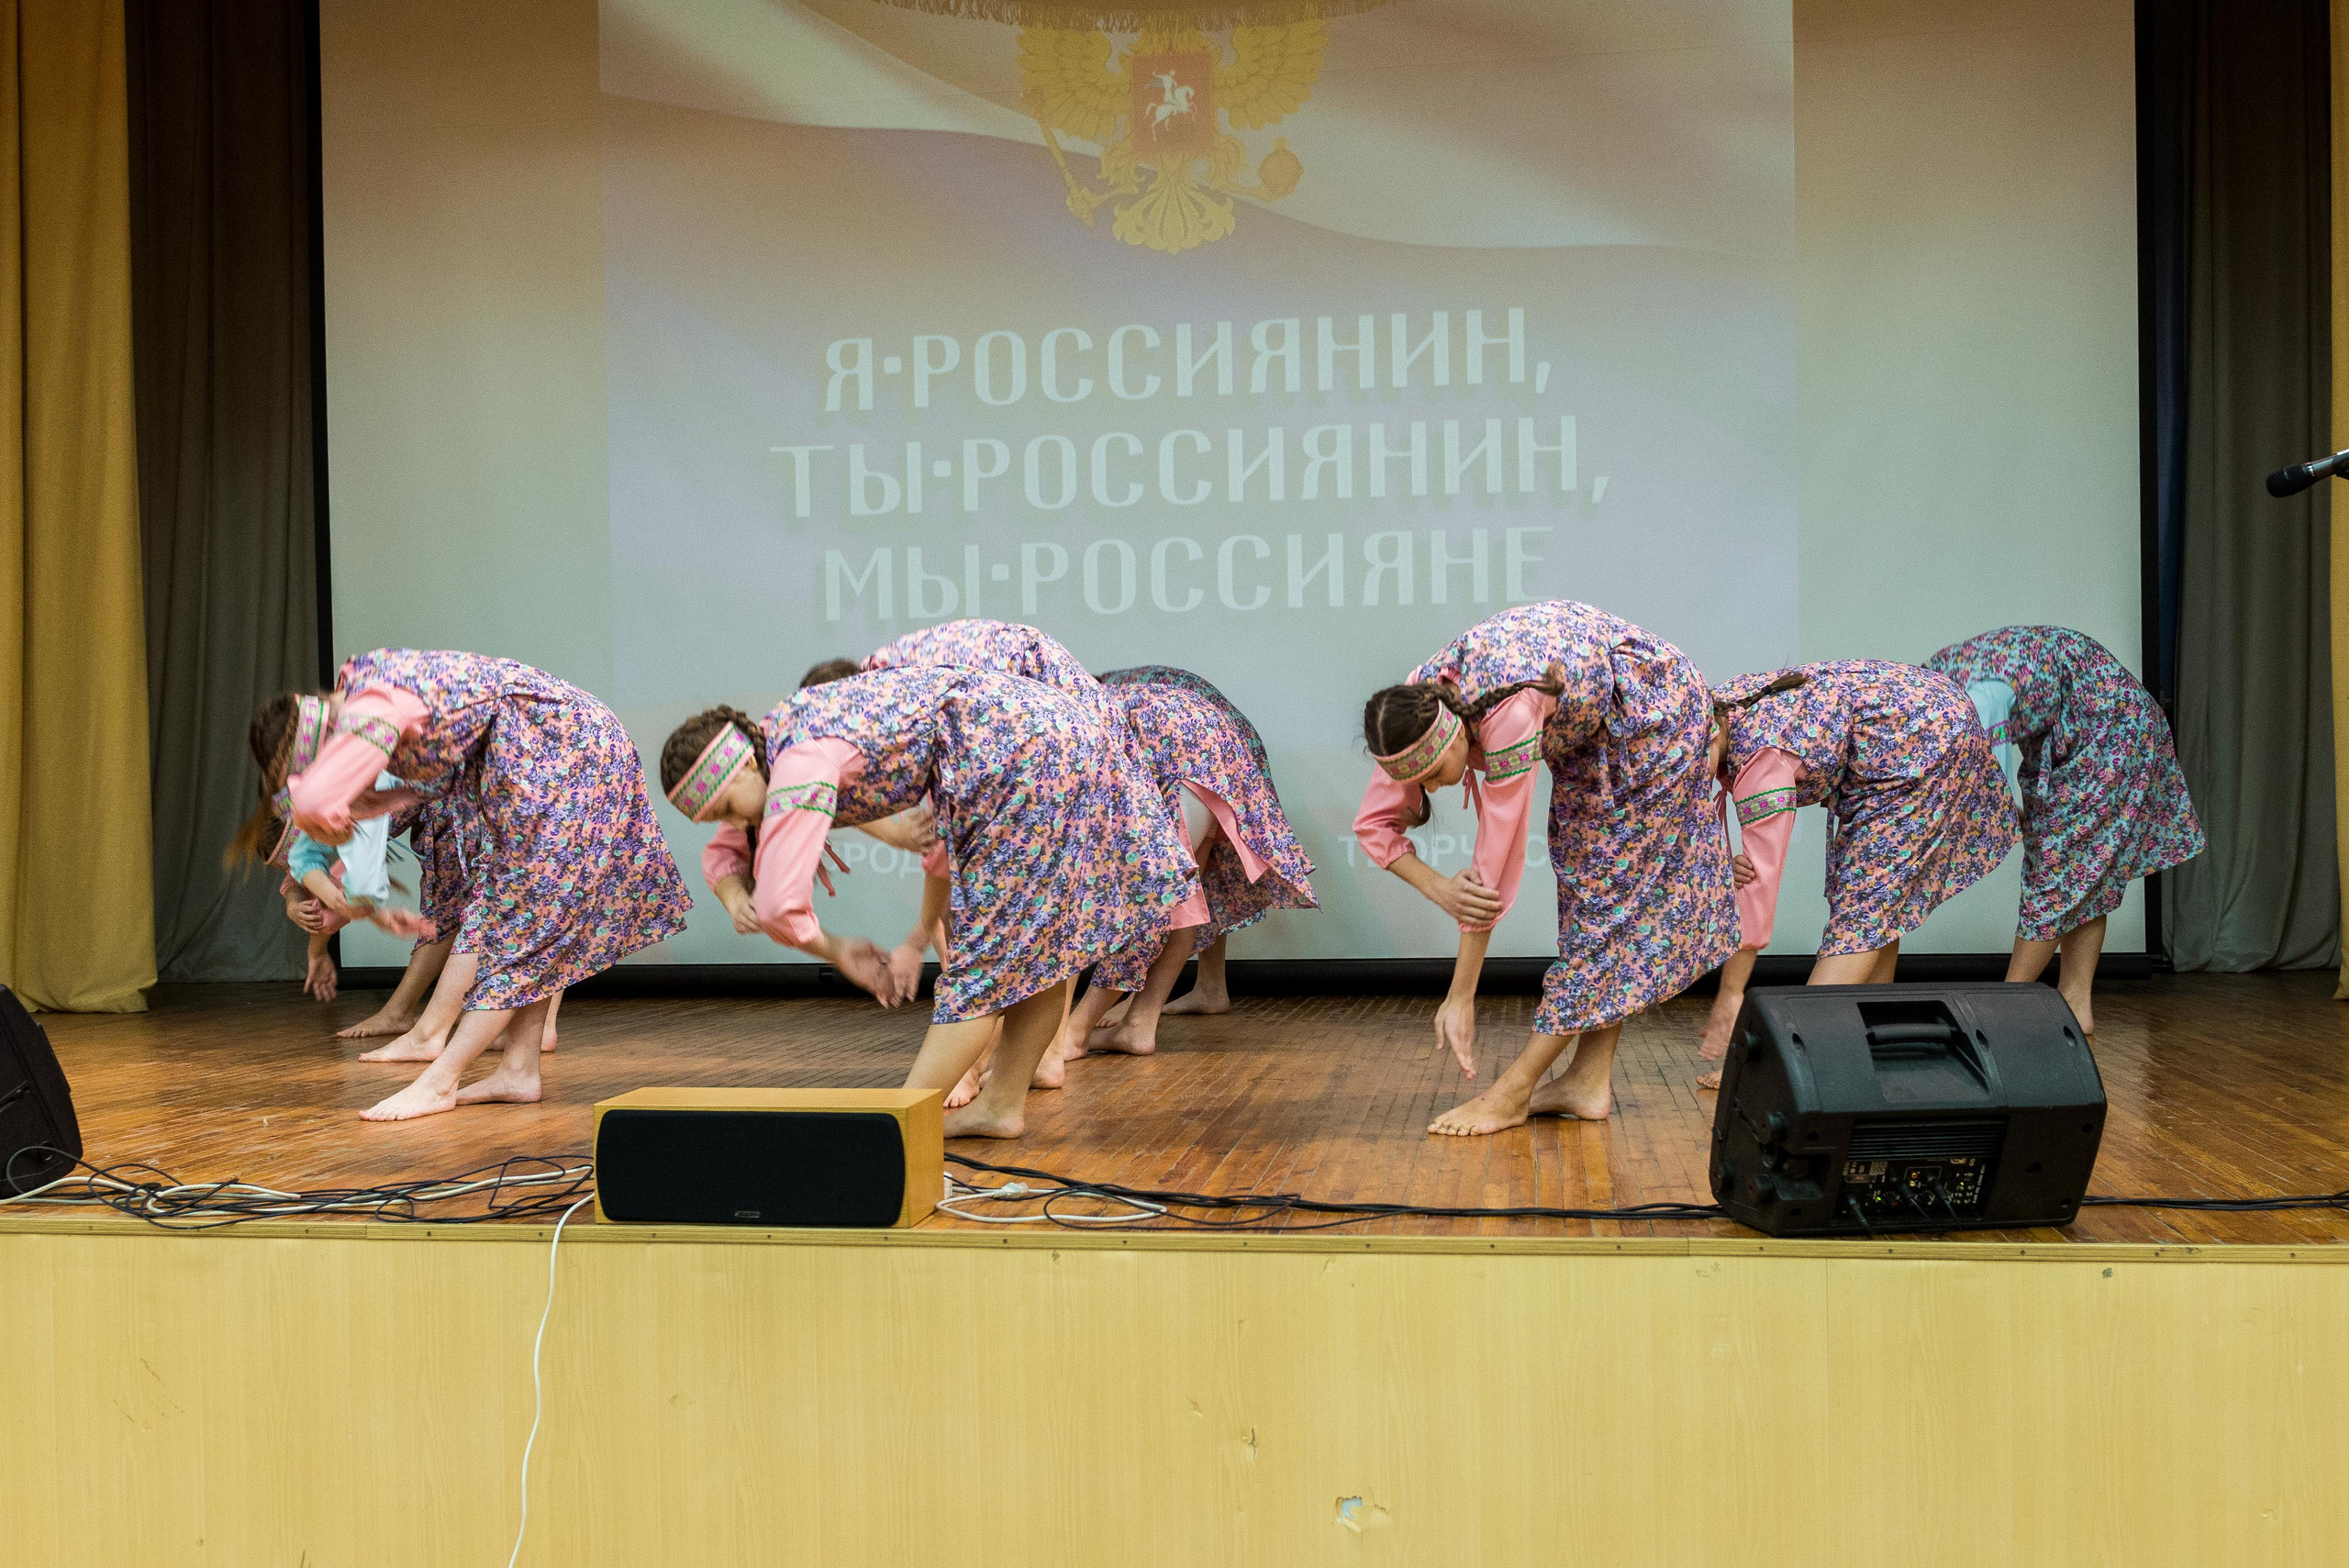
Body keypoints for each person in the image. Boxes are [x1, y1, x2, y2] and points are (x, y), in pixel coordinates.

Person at [661, 664, 1194, 1139]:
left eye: (726, 807)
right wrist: (734, 894)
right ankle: (1001, 1105)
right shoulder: (779, 735)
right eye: (717, 819)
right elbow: (729, 852)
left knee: (983, 969)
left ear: (747, 768)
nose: (732, 825)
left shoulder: (798, 760)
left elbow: (778, 904)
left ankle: (890, 1130)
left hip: (1018, 760)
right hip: (1053, 742)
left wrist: (837, 949)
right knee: (1046, 948)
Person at [1355, 602, 1740, 1135]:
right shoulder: (1411, 705)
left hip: (1654, 713)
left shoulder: (1507, 713)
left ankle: (1512, 1093)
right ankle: (1586, 1081)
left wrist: (1460, 994)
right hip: (1594, 728)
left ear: (1455, 736)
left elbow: (1496, 868)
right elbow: (1373, 826)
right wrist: (1441, 888)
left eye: (1436, 773)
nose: (1433, 788)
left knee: (1609, 908)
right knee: (1599, 902)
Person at [258, 651, 692, 1120]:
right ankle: (519, 1070)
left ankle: (441, 1080)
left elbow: (322, 805)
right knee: (531, 917)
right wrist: (375, 908)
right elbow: (381, 818)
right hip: (543, 760)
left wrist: (314, 805)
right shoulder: (371, 700)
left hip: (565, 752)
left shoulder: (370, 708)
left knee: (523, 917)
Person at [1696, 660, 2021, 1088]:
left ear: (1710, 737)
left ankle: (1784, 1062)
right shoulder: (1719, 704)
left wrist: (1730, 993)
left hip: (1917, 743)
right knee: (1873, 904)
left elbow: (1760, 888)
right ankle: (1870, 1045)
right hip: (1916, 722)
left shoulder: (1761, 760)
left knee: (1861, 915)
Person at [1922, 627, 2204, 1034]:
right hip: (2073, 732)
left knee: (2057, 875)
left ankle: (2003, 1009)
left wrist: (2001, 811)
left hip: (2109, 731)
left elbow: (1985, 785)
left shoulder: (1977, 697)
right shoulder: (1939, 683)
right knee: (2083, 873)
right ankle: (2075, 1001)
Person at [1060, 666, 1315, 1059]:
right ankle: (1140, 1023)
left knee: (1144, 900)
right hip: (1221, 757)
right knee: (1184, 896)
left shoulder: (1072, 715)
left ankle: (1074, 1034)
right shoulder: (1122, 689)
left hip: (1186, 759)